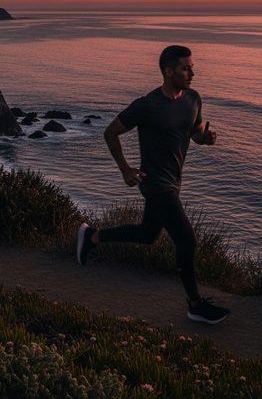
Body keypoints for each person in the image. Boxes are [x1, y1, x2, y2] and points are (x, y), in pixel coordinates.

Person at [75, 45, 231, 324]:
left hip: (174, 181)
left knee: (147, 234)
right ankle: (195, 304)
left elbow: (194, 132)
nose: (192, 73)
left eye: (192, 67)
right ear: (168, 72)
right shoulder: (147, 105)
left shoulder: (193, 98)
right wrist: (125, 169)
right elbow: (110, 132)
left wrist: (205, 139)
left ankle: (92, 236)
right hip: (155, 183)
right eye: (186, 68)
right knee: (186, 240)